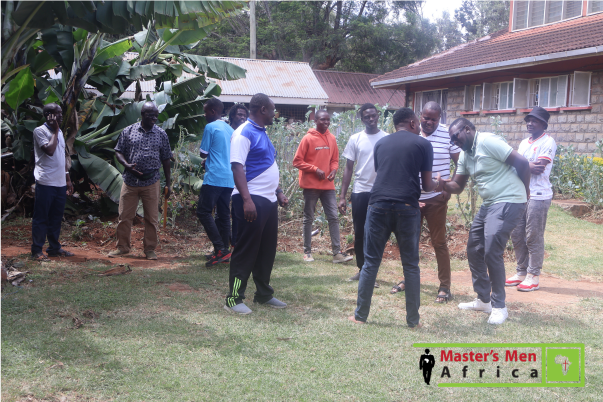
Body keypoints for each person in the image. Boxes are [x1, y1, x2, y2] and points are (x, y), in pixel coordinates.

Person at [348, 108, 439, 328]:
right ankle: (413, 322)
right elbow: (427, 186)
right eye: (418, 122)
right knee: (411, 265)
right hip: (407, 207)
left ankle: (360, 316)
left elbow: (384, 174)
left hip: (377, 205)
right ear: (412, 123)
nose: (420, 126)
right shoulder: (423, 144)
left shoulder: (381, 143)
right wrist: (439, 183)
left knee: (370, 263)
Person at [440, 118, 530, 325]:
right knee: (474, 248)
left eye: (456, 136)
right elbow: (457, 186)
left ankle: (499, 307)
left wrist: (526, 191)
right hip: (489, 204)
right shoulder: (465, 154)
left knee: (491, 251)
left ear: (467, 129)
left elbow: (523, 163)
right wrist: (441, 184)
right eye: (451, 139)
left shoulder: (487, 141)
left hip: (509, 199)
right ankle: (484, 300)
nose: (454, 142)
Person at [224, 93, 289, 315]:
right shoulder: (243, 132)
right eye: (272, 110)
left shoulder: (262, 133)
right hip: (251, 199)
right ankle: (233, 298)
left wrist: (278, 192)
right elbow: (237, 167)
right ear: (262, 109)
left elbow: (268, 164)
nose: (274, 114)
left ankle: (263, 294)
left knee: (266, 251)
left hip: (268, 200)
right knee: (246, 250)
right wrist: (247, 200)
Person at [390, 102, 460, 303]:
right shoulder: (411, 133)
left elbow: (460, 163)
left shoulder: (447, 134)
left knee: (439, 242)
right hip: (412, 199)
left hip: (437, 199)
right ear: (419, 116)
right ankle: (408, 279)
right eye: (426, 118)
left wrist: (449, 187)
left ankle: (444, 286)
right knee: (409, 241)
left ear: (440, 119)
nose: (429, 122)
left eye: (434, 119)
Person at [110, 102, 173, 260]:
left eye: (156, 116)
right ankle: (122, 248)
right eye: (151, 115)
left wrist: (168, 183)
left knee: (151, 218)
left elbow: (166, 159)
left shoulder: (161, 134)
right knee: (124, 216)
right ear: (143, 114)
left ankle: (150, 249)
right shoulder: (128, 131)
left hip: (151, 181)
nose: (154, 118)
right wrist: (126, 165)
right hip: (130, 181)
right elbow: (118, 151)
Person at [507, 107, 557, 291]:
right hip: (521, 193)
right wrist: (526, 165)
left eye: (534, 120)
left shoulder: (548, 142)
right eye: (528, 120)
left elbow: (539, 168)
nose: (529, 123)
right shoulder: (523, 143)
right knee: (517, 234)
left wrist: (521, 165)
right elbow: (519, 166)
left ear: (543, 124)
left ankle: (533, 275)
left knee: (533, 235)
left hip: (539, 195)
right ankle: (521, 272)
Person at [339, 103, 388, 285]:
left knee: (376, 234)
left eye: (373, 115)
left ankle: (371, 272)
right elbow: (348, 168)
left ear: (378, 116)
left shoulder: (387, 139)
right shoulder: (355, 139)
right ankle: (362, 270)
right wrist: (342, 196)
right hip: (360, 192)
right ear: (362, 119)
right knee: (360, 233)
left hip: (380, 193)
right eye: (366, 117)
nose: (370, 119)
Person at [293, 110, 352, 264]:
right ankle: (307, 252)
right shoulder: (307, 138)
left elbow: (335, 159)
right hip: (310, 186)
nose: (326, 122)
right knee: (309, 218)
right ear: (315, 121)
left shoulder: (331, 138)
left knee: (333, 217)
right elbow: (297, 161)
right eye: (322, 120)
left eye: (328, 120)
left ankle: (337, 253)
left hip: (328, 186)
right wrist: (315, 169)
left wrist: (333, 170)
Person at [31, 103, 74, 260]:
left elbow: (61, 156)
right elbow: (49, 150)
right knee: (41, 217)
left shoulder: (60, 132)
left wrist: (67, 179)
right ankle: (37, 250)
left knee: (56, 218)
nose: (61, 116)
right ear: (48, 115)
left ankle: (54, 248)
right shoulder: (40, 131)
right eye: (57, 113)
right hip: (46, 182)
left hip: (60, 183)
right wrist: (55, 130)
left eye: (61, 113)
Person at [197, 98, 235, 266]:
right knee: (223, 214)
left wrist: (207, 159)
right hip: (229, 178)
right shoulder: (230, 129)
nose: (204, 115)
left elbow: (203, 153)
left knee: (203, 212)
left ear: (213, 111)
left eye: (205, 112)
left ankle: (220, 249)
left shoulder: (210, 127)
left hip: (214, 177)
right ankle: (224, 251)